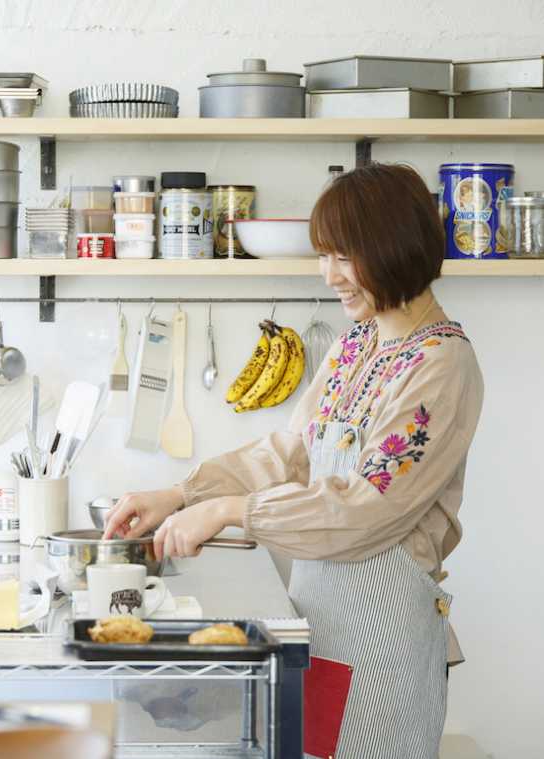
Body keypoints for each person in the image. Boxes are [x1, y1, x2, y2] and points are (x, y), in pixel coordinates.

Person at [102, 163, 483, 758]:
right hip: (325, 627)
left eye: (343, 257)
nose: (328, 275)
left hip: (384, 645)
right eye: (324, 256)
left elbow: (366, 510)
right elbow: (290, 452)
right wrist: (180, 495)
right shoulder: (358, 344)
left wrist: (233, 511)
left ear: (393, 248)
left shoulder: (440, 364)